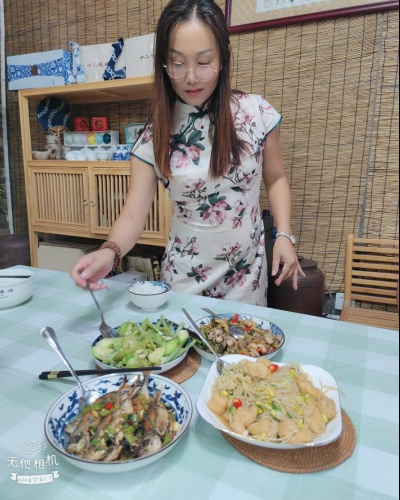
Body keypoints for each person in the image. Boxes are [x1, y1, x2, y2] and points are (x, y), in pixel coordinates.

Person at [71, 0, 304, 306]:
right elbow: (133, 214)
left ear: (223, 57)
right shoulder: (154, 136)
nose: (191, 77)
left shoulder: (256, 113)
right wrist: (108, 252)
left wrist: (284, 235)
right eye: (177, 63)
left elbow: (276, 179)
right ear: (163, 64)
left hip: (246, 279)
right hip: (184, 282)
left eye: (204, 62)